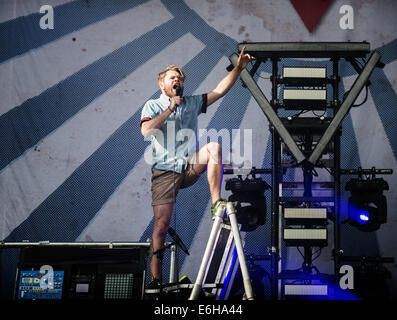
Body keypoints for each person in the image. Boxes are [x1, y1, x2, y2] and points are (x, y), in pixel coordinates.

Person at [140, 47, 255, 292]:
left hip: (188, 166)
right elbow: (146, 131)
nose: (178, 80)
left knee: (213, 147)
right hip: (165, 171)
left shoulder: (191, 103)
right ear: (162, 85)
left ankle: (216, 205)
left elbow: (219, 90)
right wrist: (170, 107)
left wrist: (238, 68)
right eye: (173, 77)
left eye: (180, 78)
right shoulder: (152, 105)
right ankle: (155, 280)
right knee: (161, 224)